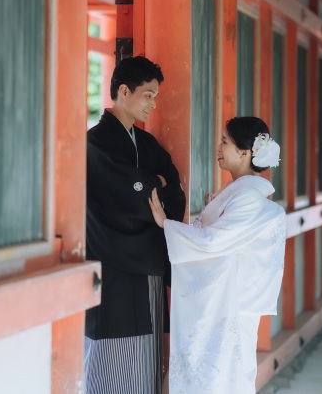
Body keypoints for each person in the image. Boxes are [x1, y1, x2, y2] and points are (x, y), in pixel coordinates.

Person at [148, 116, 286, 394]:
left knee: (216, 378)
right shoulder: (240, 193)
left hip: (226, 307)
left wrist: (166, 224)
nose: (218, 147)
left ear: (245, 153)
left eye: (225, 141)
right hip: (222, 304)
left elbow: (213, 242)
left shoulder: (247, 197)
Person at [85, 56, 187, 394]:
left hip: (147, 262)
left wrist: (150, 181)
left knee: (148, 356)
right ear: (124, 91)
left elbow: (172, 184)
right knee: (112, 358)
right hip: (113, 260)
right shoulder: (96, 142)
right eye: (148, 95)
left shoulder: (144, 143)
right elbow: (127, 192)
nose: (153, 104)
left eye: (155, 97)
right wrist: (151, 184)